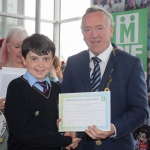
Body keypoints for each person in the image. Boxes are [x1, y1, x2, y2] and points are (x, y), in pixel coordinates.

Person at [61, 6, 148, 150]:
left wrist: (113, 128)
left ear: (111, 30)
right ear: (83, 34)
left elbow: (140, 111)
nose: (94, 34)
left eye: (99, 28)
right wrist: (68, 126)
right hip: (80, 146)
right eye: (88, 29)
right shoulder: (73, 62)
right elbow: (66, 102)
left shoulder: (131, 64)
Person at [4, 33, 81, 150]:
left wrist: (67, 131)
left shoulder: (57, 89)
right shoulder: (16, 87)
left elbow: (59, 122)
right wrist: (64, 140)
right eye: (34, 58)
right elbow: (22, 131)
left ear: (52, 61)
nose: (40, 64)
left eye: (46, 59)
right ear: (24, 60)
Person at [0, 26, 29, 150]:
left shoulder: (37, 74)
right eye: (17, 47)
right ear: (8, 48)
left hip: (30, 131)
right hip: (4, 130)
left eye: (24, 46)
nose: (21, 51)